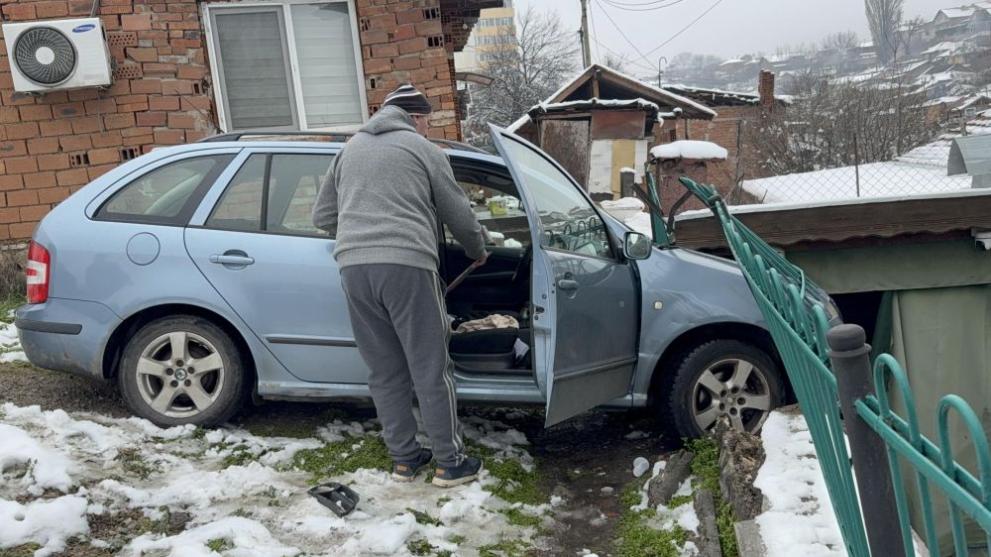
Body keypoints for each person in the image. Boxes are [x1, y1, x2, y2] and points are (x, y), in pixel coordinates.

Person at [312, 84, 488, 487]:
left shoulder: (349, 149)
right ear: (416, 118)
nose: (427, 128)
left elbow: (323, 215)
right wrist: (477, 249)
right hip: (407, 265)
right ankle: (449, 462)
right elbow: (457, 211)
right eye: (427, 120)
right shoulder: (424, 150)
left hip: (354, 269)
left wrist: (360, 233)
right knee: (429, 367)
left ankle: (406, 460)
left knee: (385, 369)